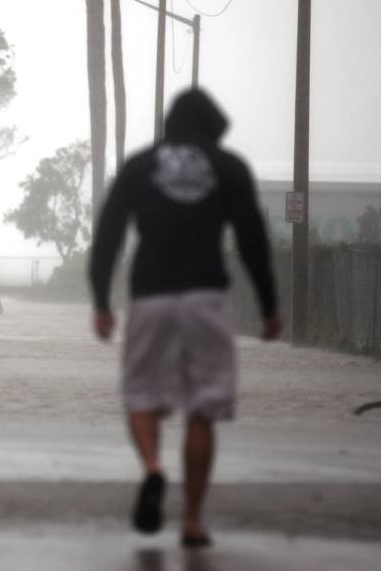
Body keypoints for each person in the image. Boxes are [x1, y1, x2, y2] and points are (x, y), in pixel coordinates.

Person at [88, 88, 281, 548]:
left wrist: (100, 301)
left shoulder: (139, 165)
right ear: (213, 126)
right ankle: (192, 521)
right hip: (206, 296)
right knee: (203, 408)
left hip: (151, 295)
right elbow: (252, 237)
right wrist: (271, 305)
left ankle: (154, 469)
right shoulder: (229, 167)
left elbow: (109, 234)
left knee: (140, 395)